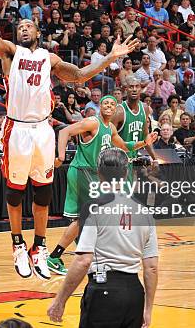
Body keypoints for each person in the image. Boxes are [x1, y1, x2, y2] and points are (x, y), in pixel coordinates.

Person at [0, 0, 139, 280]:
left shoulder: (49, 58)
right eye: (20, 28)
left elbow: (81, 75)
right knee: (15, 193)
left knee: (42, 194)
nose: (24, 29)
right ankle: (17, 244)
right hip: (17, 129)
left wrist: (110, 57)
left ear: (38, 32)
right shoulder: (9, 52)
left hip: (42, 129)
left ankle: (39, 247)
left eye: (28, 26)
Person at [47, 147, 159, 327]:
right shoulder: (144, 212)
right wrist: (147, 309)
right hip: (134, 292)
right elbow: (151, 267)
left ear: (98, 173)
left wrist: (60, 301)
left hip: (103, 291)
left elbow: (83, 260)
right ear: (125, 173)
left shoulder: (93, 208)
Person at [47, 96, 157, 275]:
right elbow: (64, 131)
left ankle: (70, 251)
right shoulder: (92, 122)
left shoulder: (110, 127)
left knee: (85, 216)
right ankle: (62, 255)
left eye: (112, 104)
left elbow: (124, 146)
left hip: (89, 173)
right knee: (94, 212)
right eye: (105, 103)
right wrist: (60, 157)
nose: (109, 106)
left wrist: (145, 142)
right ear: (100, 106)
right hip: (82, 171)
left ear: (115, 110)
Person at [111, 76, 157, 160]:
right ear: (125, 89)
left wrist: (155, 159)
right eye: (131, 87)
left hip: (134, 159)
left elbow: (146, 137)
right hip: (118, 161)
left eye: (137, 86)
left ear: (141, 89)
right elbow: (109, 139)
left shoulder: (145, 108)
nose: (134, 89)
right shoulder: (118, 112)